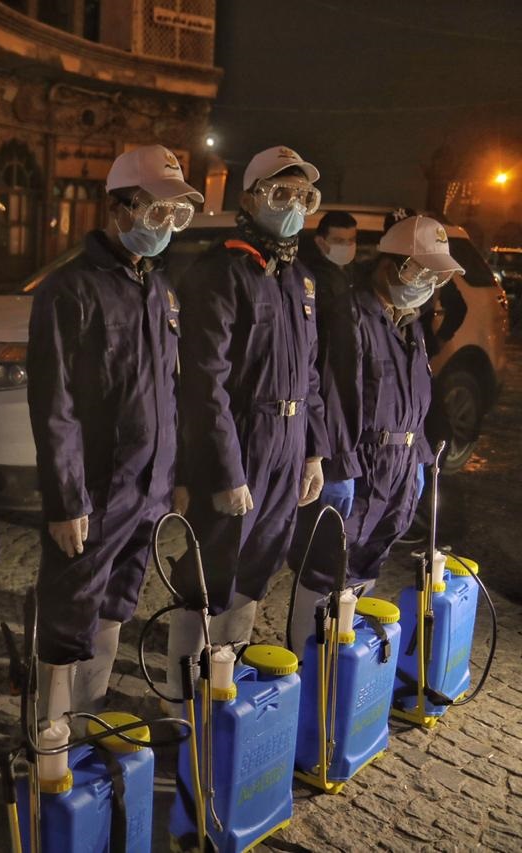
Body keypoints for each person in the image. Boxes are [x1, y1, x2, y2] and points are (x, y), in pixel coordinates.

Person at [26, 145, 200, 719]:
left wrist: (173, 477)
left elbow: (169, 395)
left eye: (177, 214)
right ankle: (51, 738)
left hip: (147, 492)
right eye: (157, 211)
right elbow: (55, 404)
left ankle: (89, 717)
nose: (167, 225)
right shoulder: (70, 289)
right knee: (68, 615)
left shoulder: (159, 288)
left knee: (115, 608)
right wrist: (66, 499)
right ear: (119, 207)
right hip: (95, 492)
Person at [168, 146, 328, 697]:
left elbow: (309, 375)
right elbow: (203, 384)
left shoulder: (297, 280)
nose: (291, 206)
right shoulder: (221, 273)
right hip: (240, 444)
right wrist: (226, 470)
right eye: (279, 193)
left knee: (259, 565)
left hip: (287, 447)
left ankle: (224, 679)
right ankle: (183, 692)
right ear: (248, 199)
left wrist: (313, 452)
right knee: (209, 574)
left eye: (302, 196)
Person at [287, 215, 458, 653]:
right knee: (325, 570)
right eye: (421, 271)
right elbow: (328, 391)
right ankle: (310, 668)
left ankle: (341, 659)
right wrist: (335, 464)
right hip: (359, 464)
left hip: (400, 466)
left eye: (435, 276)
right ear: (390, 265)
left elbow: (416, 397)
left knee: (366, 565)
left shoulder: (410, 323)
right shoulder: (350, 314)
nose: (428, 283)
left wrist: (417, 458)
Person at [286, 211, 360, 579]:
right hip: (324, 425)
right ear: (320, 241)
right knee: (316, 542)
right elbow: (323, 372)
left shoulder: (339, 281)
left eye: (352, 240)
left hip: (336, 428)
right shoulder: (311, 282)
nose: (348, 247)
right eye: (340, 240)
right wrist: (324, 444)